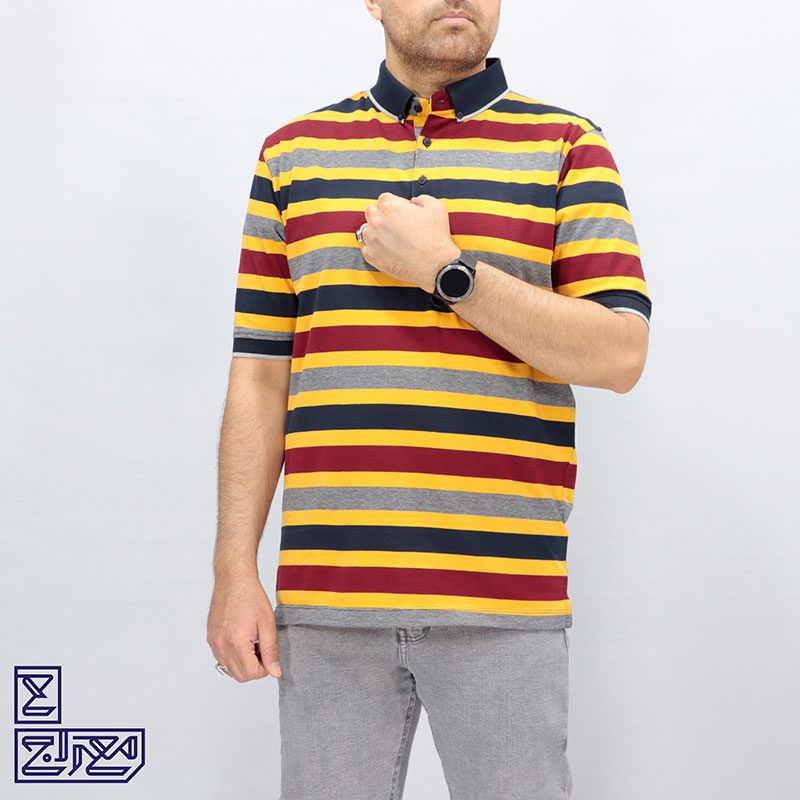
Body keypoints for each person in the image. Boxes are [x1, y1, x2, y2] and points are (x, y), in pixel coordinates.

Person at [207, 1, 652, 797]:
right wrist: (234, 570)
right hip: (328, 603)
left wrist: (448, 272)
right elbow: (260, 376)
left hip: (503, 602)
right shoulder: (292, 154)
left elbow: (619, 355)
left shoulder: (566, 147)